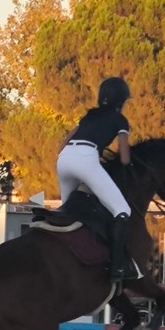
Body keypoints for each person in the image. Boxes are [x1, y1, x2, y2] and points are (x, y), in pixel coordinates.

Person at [58, 76, 134, 281]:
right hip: (86, 159)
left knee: (67, 212)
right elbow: (125, 160)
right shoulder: (121, 120)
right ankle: (117, 268)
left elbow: (65, 142)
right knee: (122, 211)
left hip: (63, 160)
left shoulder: (88, 116)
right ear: (121, 101)